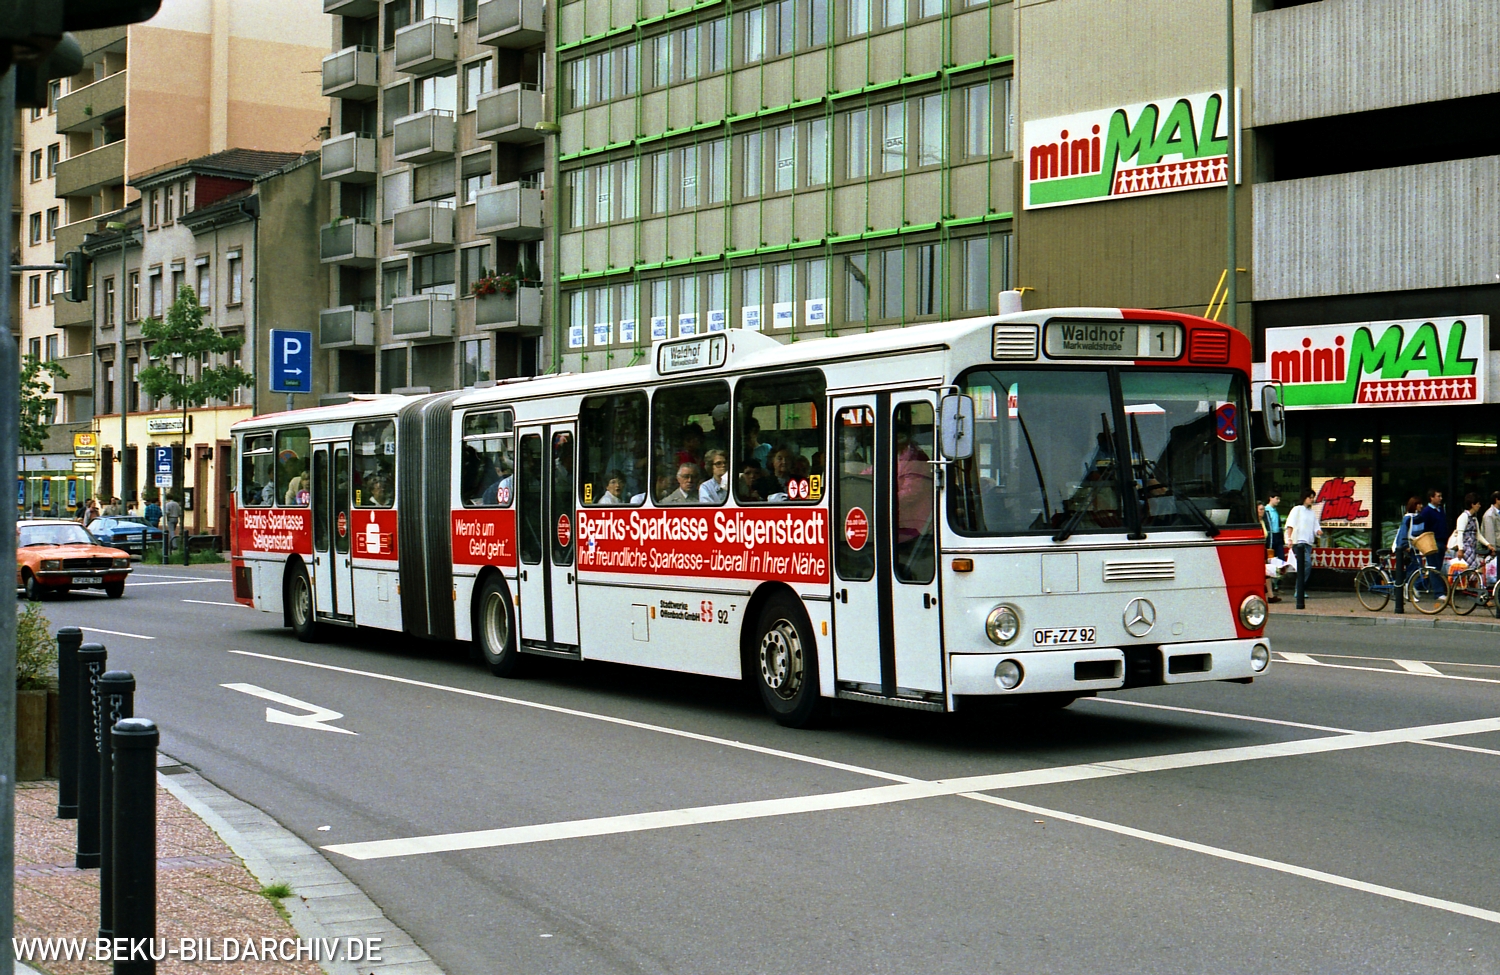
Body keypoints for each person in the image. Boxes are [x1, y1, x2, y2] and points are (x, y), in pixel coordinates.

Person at [1285, 488, 1322, 609]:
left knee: (1304, 565)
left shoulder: (1311, 513)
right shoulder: (1297, 509)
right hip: (1298, 542)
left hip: (1308, 542)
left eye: (1312, 497)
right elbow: (1290, 524)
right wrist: (1289, 538)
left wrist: (1318, 531)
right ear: (1304, 498)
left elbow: (1315, 526)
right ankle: (1299, 589)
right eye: (1310, 497)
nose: (1312, 499)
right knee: (1306, 564)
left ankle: (1300, 588)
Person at [1419, 488, 1447, 576]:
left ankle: (1429, 583)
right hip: (1433, 542)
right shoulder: (1426, 512)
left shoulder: (1441, 510)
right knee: (1434, 568)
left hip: (1442, 541)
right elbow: (1424, 528)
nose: (1441, 498)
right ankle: (1436, 585)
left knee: (1438, 567)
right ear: (1431, 498)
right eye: (1438, 496)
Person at [1265, 492, 1284, 600]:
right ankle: (1272, 585)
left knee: (1280, 560)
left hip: (1277, 536)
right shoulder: (1266, 510)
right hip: (1271, 537)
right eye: (1277, 498)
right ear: (1270, 498)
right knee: (1271, 561)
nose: (1278, 501)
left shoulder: (1275, 511)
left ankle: (1276, 582)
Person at [1455, 492, 1482, 567]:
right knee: (1466, 569)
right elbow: (1460, 534)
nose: (1479, 506)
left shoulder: (1474, 518)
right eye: (1478, 504)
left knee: (1473, 569)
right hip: (1465, 549)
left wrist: (1488, 545)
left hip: (1472, 548)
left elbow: (1478, 535)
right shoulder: (1464, 516)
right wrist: (1460, 549)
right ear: (1472, 504)